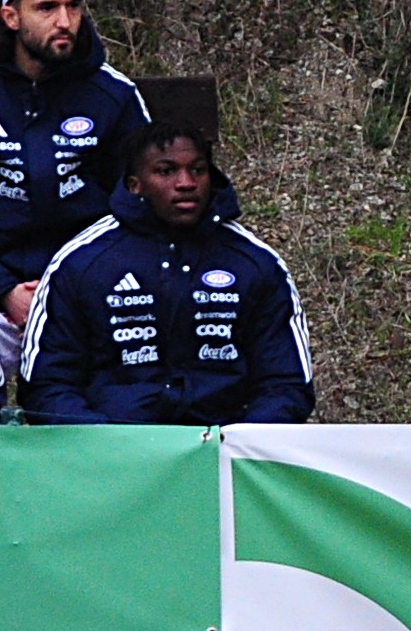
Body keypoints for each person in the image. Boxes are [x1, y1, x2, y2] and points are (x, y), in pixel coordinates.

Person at [17, 121, 312, 424]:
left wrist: (236, 442)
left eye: (198, 170)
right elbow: (46, 386)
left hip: (223, 451)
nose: (186, 182)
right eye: (166, 171)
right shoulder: (80, 262)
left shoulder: (256, 263)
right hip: (113, 451)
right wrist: (106, 444)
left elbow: (287, 386)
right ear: (135, 184)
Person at [1, 0, 153, 365]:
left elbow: (141, 203)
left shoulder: (112, 96)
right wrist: (5, 289)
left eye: (74, 6)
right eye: (47, 8)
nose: (65, 21)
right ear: (11, 18)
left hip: (87, 283)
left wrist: (70, 283)